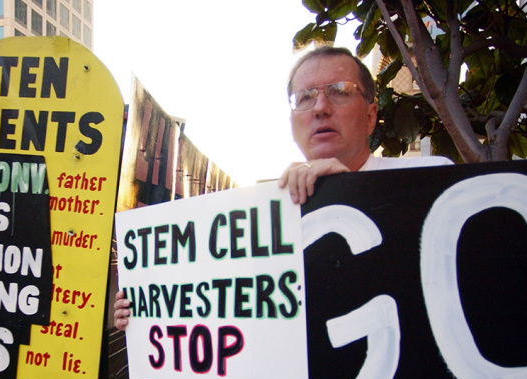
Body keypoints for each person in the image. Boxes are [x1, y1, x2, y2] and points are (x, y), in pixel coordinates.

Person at [113, 44, 451, 331]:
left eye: (340, 91)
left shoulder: (431, 182)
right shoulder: (265, 221)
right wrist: (147, 310)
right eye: (305, 97)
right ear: (291, 122)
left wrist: (353, 191)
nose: (321, 108)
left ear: (371, 115)